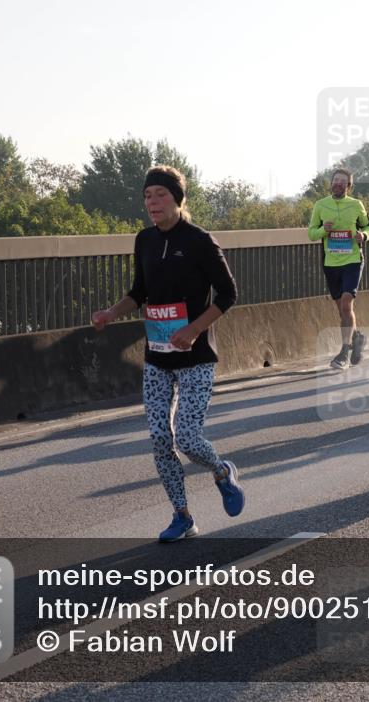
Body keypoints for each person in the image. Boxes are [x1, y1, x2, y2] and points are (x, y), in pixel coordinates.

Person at [92, 165, 244, 541]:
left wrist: (193, 330)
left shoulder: (200, 241)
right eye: (147, 196)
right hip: (157, 358)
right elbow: (139, 292)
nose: (153, 202)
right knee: (160, 439)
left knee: (187, 438)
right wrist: (111, 313)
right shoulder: (144, 240)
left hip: (196, 357)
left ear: (177, 199)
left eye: (160, 194)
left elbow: (229, 294)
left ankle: (222, 471)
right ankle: (182, 516)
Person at [308, 168, 369, 370]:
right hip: (331, 263)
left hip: (353, 260)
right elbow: (311, 234)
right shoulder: (320, 205)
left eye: (342, 181)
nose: (338, 183)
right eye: (335, 180)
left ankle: (344, 353)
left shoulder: (356, 205)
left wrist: (364, 236)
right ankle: (357, 338)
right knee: (342, 311)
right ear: (331, 183)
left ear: (348, 186)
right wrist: (323, 230)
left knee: (346, 304)